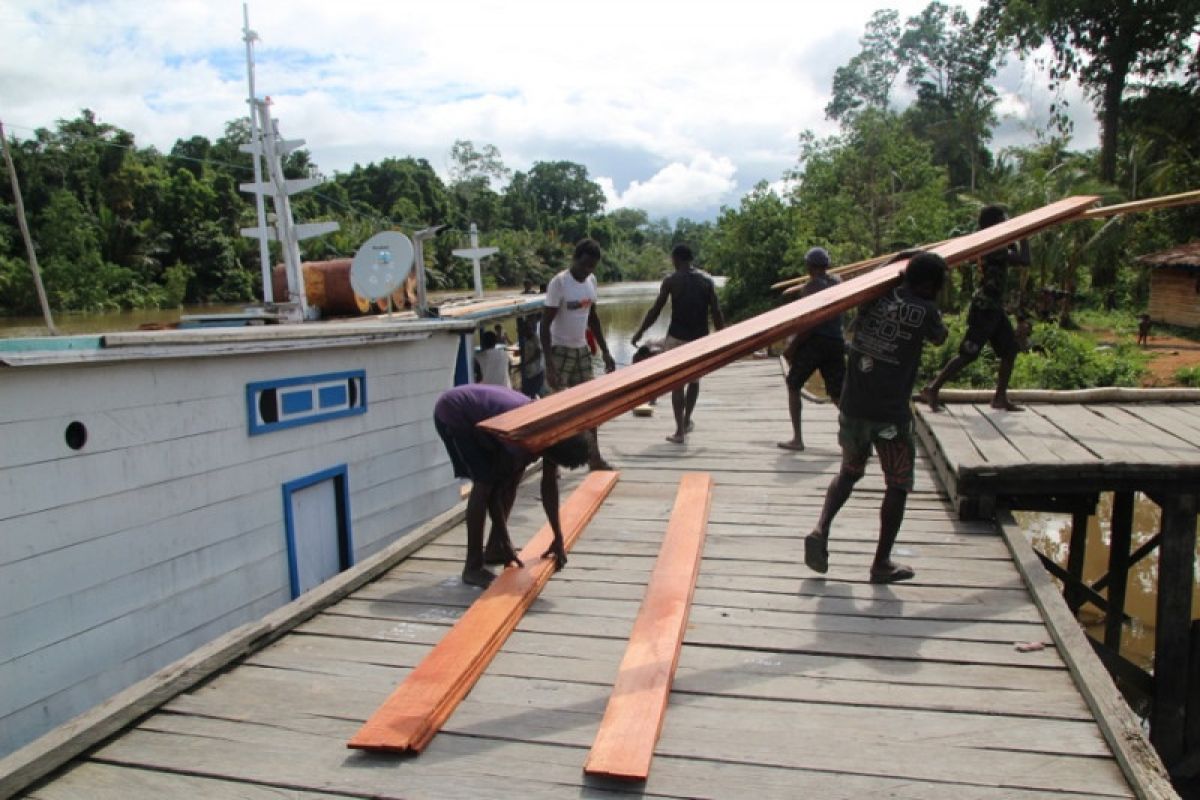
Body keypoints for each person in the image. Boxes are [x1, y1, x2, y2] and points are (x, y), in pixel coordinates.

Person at [805, 251, 949, 584]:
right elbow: (939, 337)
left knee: (849, 472)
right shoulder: (925, 310)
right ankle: (881, 562)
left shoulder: (874, 296)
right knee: (897, 484)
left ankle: (820, 528)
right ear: (931, 284)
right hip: (890, 416)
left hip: (853, 408)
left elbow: (871, 280)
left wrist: (896, 262)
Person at [433, 384, 591, 587]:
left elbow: (549, 488)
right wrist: (507, 539)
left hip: (485, 418)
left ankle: (494, 549)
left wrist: (558, 537)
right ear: (550, 448)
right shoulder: (522, 438)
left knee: (510, 480)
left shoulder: (556, 433)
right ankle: (472, 567)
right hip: (455, 412)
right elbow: (495, 494)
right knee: (485, 483)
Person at [919, 205, 1030, 412]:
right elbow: (1024, 260)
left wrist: (1016, 236)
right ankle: (933, 389)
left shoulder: (994, 243)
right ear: (996, 223)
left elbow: (1014, 255)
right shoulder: (994, 246)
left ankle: (999, 398)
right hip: (985, 308)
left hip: (994, 308)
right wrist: (1024, 233)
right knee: (969, 353)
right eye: (1003, 220)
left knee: (1009, 350)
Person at [630, 244, 725, 443]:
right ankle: (688, 419)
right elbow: (716, 311)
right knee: (694, 381)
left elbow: (656, 310)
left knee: (676, 384)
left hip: (676, 337)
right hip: (700, 338)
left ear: (676, 259)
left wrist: (639, 332)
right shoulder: (706, 280)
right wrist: (723, 336)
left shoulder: (671, 281)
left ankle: (680, 431)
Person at [542, 238, 617, 470]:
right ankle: (551, 466)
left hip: (582, 349)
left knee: (590, 406)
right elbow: (544, 326)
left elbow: (593, 318)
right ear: (575, 259)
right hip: (560, 350)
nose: (587, 271)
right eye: (584, 265)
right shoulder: (560, 283)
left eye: (592, 267)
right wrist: (550, 364)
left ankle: (594, 457)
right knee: (556, 410)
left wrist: (605, 351)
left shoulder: (591, 282)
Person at [777, 247, 846, 451]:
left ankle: (797, 438)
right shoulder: (838, 281)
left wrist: (792, 347)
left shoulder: (810, 287)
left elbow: (809, 324)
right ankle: (860, 438)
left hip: (816, 342)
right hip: (836, 342)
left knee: (793, 383)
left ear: (809, 266)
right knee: (837, 393)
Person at [517, 315, 546, 399]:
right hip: (529, 372)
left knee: (536, 393)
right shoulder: (526, 340)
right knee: (528, 394)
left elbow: (538, 353)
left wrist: (525, 363)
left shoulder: (535, 338)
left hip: (536, 371)